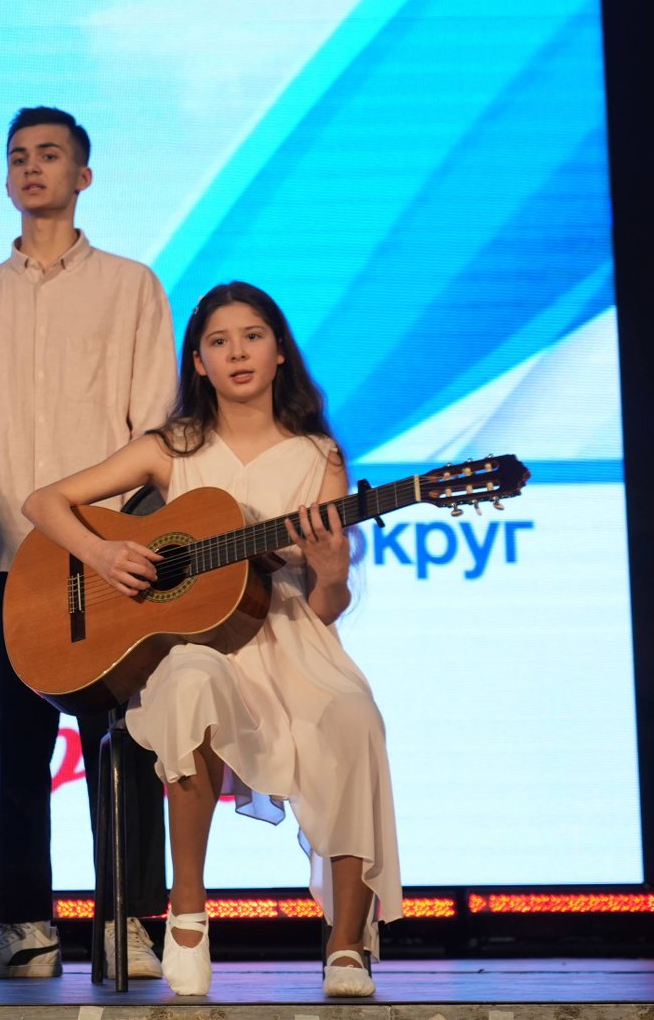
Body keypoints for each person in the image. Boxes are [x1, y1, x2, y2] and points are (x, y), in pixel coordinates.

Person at [21, 281, 401, 998]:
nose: (238, 353)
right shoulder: (173, 448)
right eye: (219, 342)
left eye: (252, 336)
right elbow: (44, 501)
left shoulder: (317, 455)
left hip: (290, 638)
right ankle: (188, 914)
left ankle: (347, 942)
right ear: (198, 361)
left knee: (354, 714)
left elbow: (325, 609)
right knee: (189, 680)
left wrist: (331, 573)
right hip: (192, 641)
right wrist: (104, 553)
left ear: (280, 350)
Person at [0, 106, 176, 978]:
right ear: (6, 179)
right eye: (18, 157)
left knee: (123, 739)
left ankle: (129, 924)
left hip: (107, 554)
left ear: (83, 175)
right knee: (15, 746)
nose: (32, 168)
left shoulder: (130, 286)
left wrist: (125, 534)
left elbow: (155, 425)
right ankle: (25, 928)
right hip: (7, 557)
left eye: (50, 155)